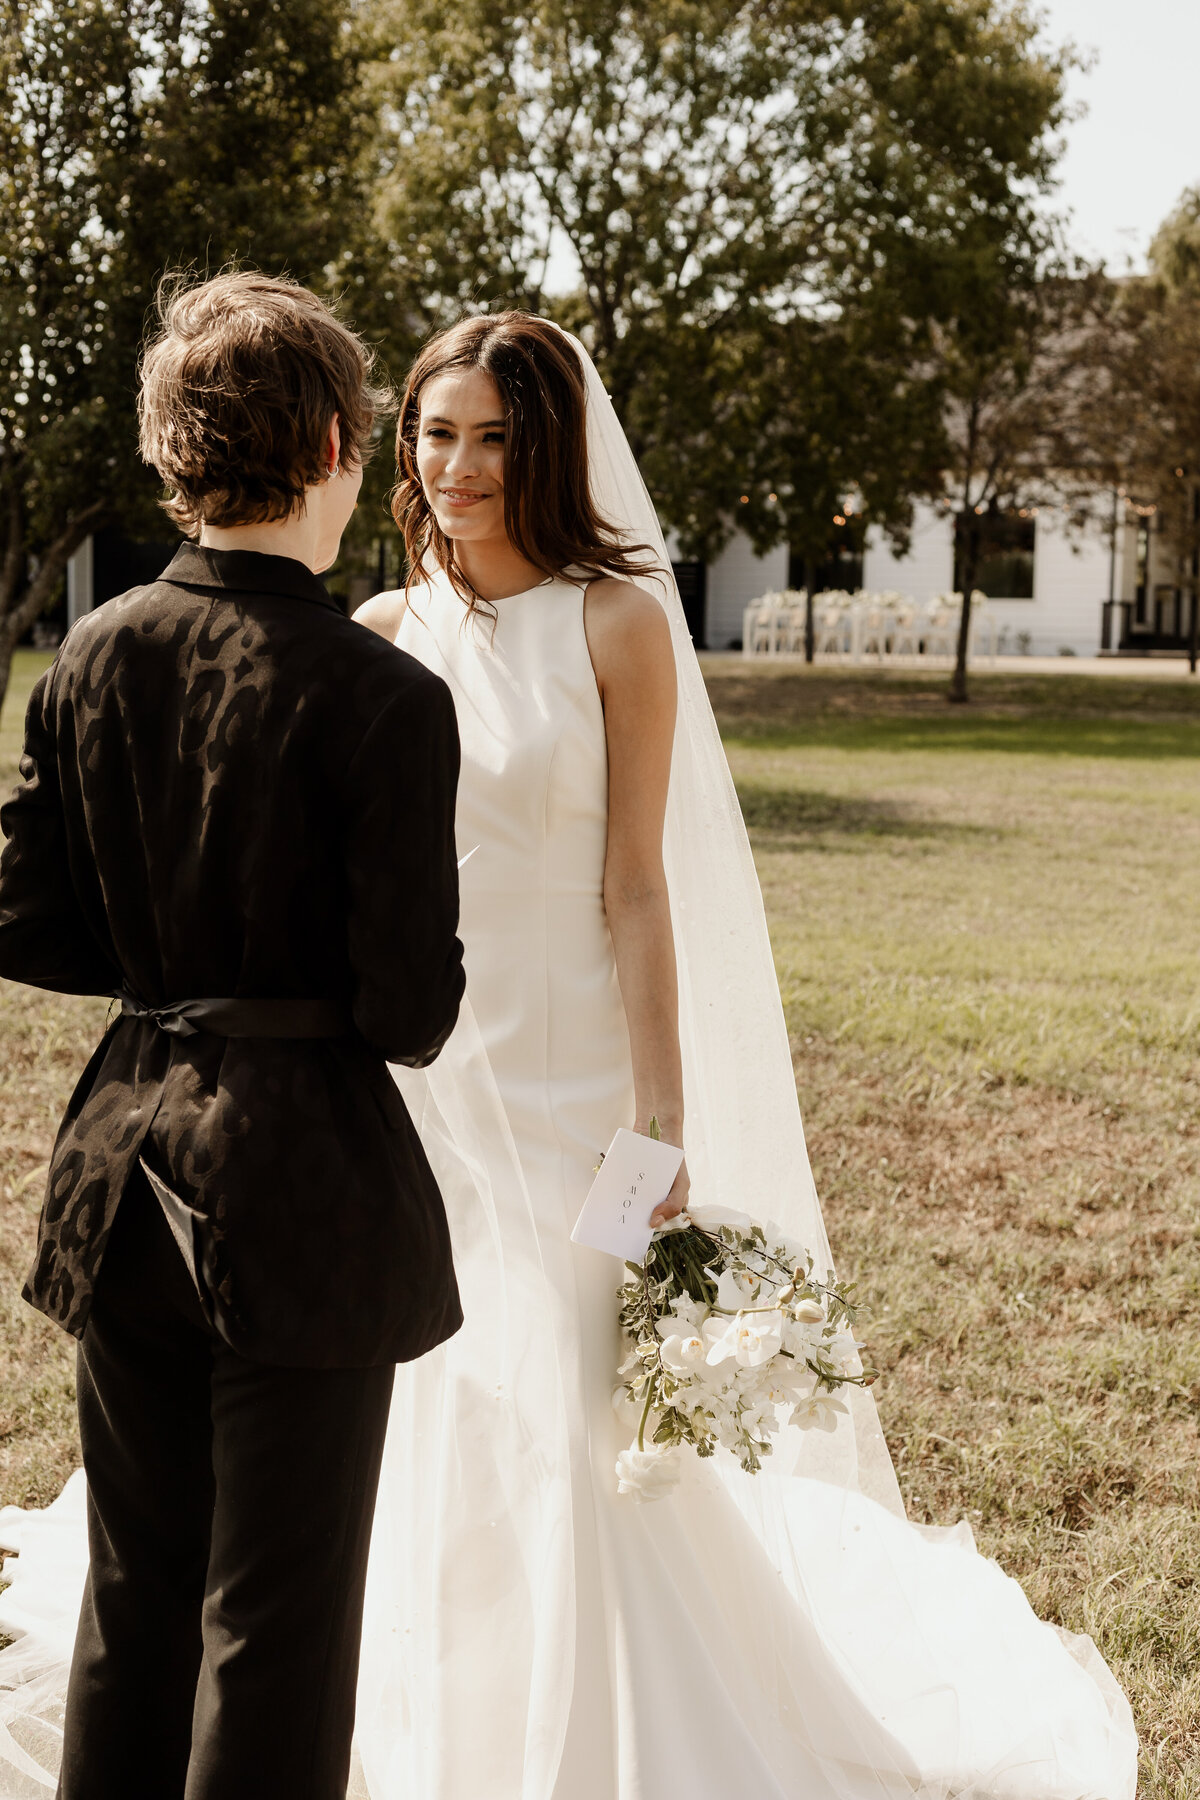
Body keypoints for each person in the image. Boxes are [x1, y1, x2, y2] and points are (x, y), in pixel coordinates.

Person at [348, 312, 1139, 1800]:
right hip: (429, 1088)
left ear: (551, 453)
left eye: (493, 437)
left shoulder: (616, 624)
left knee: (587, 1415)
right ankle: (435, 1709)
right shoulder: (387, 636)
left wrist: (660, 1116)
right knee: (444, 1392)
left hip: (574, 1080)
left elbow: (638, 887)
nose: (455, 465)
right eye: (434, 432)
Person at [0, 271, 465, 1800]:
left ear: (170, 454)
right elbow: (410, 1016)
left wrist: (165, 955)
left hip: (121, 1159)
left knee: (135, 1594)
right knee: (276, 1621)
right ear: (337, 442)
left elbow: (27, 921)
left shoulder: (90, 657)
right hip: (304, 1190)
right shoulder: (384, 694)